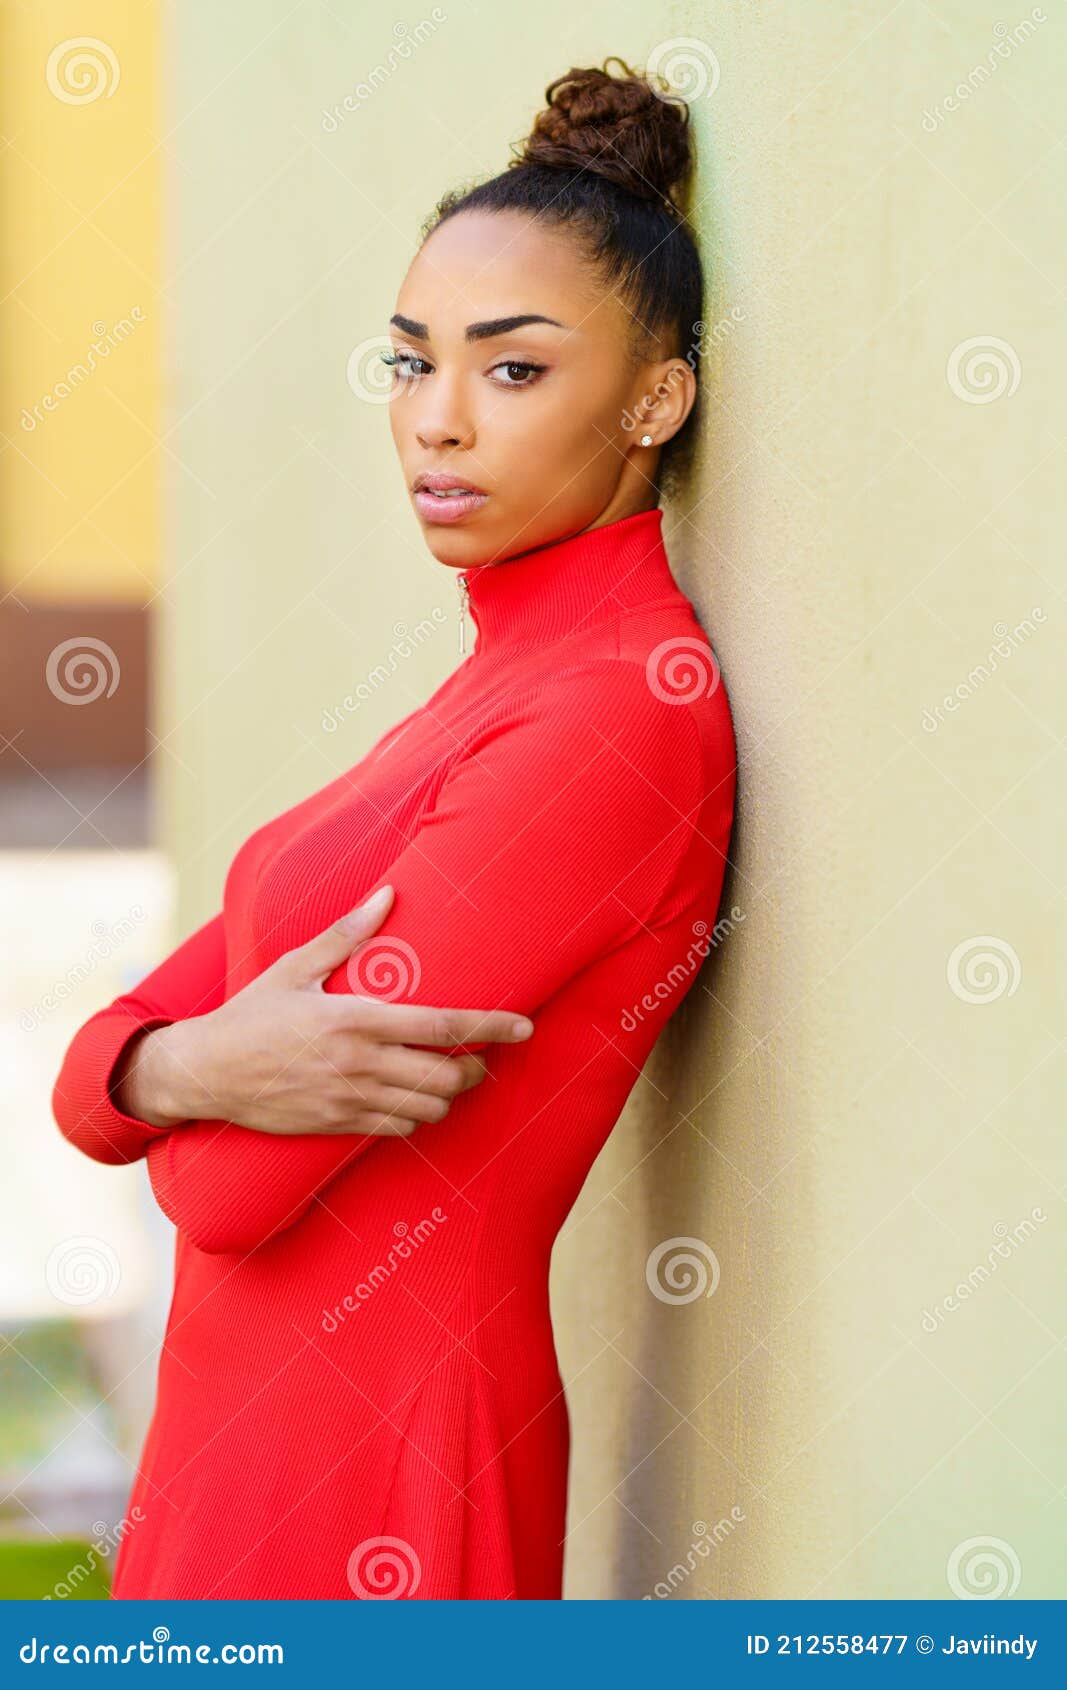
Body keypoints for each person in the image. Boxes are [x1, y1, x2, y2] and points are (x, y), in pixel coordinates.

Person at [52, 57, 737, 1601]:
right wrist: (184, 1065)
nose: (436, 424)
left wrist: (174, 1073)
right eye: (409, 362)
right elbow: (97, 1081)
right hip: (237, 1442)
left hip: (390, 1461)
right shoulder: (490, 689)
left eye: (512, 371)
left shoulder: (616, 714)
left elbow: (222, 1193)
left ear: (655, 396)